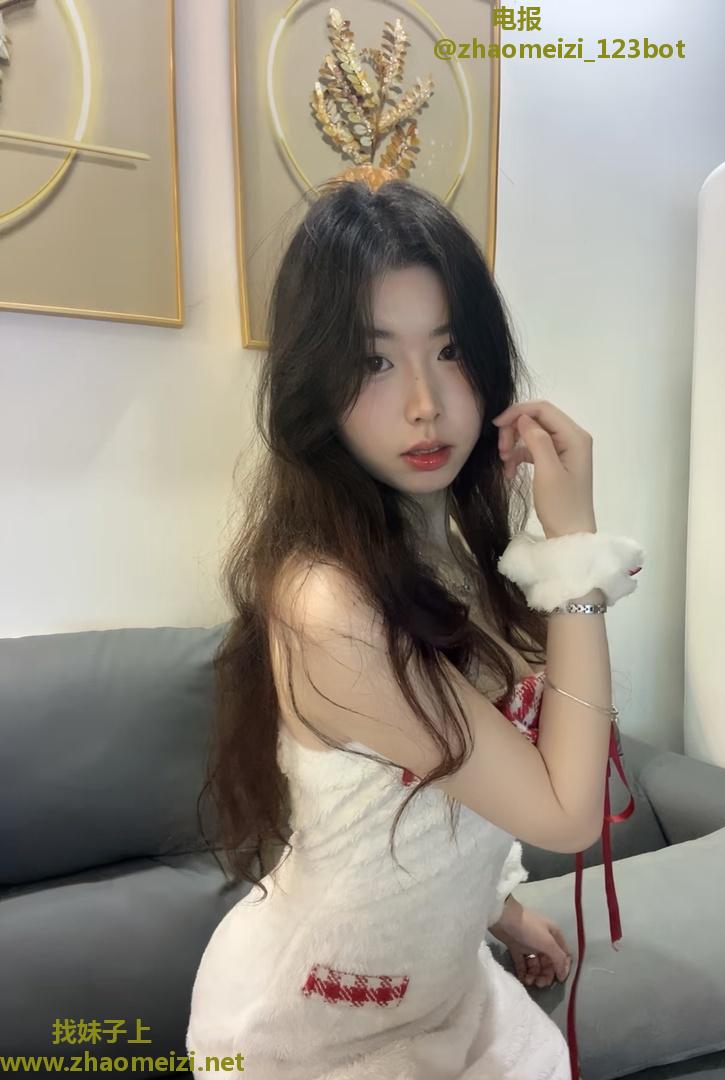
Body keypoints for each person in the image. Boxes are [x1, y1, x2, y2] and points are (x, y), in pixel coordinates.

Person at [185, 177, 644, 1079]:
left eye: (449, 350)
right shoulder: (328, 606)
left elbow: (446, 803)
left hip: (442, 990)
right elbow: (566, 812)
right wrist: (575, 550)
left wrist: (500, 913)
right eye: (375, 362)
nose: (426, 403)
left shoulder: (448, 552)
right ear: (316, 384)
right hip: (312, 1029)